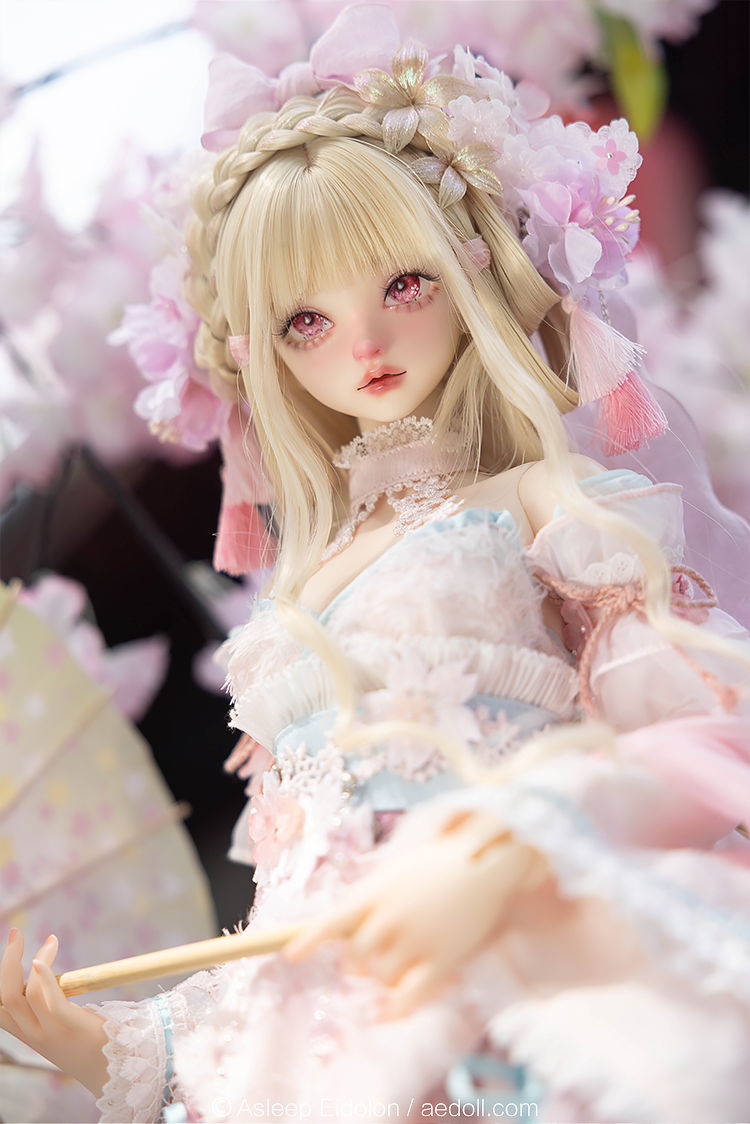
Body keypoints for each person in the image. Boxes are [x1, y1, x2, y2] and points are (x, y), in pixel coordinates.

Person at [2, 8, 750, 1122]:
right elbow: (295, 914)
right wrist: (108, 1040)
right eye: (304, 322)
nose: (362, 343)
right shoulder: (298, 599)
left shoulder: (545, 506)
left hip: (511, 994)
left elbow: (714, 732)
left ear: (472, 269)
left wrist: (515, 846)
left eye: (403, 285)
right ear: (261, 355)